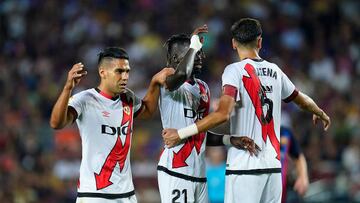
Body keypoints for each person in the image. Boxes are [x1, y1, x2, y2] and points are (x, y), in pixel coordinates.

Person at [162, 18, 331, 203]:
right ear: (260, 41)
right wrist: (319, 112)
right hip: (273, 169)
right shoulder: (275, 71)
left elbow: (222, 114)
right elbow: (301, 99)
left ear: (234, 43)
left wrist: (181, 133)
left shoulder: (234, 71)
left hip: (245, 167)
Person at [50, 47, 174, 203]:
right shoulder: (85, 99)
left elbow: (147, 112)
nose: (125, 77)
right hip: (94, 194)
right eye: (119, 71)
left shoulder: (127, 97)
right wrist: (68, 88)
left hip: (126, 194)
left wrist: (155, 83)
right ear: (103, 72)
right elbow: (56, 123)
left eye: (127, 71)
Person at [157, 26, 260, 203]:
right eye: (195, 52)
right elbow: (182, 73)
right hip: (176, 170)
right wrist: (194, 44)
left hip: (200, 173)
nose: (200, 56)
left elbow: (200, 133)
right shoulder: (167, 82)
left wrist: (229, 140)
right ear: (175, 58)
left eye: (200, 52)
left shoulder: (203, 88)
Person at [280, 125, 309, 202]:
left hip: (281, 192)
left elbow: (298, 156)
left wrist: (303, 176)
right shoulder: (256, 131)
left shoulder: (285, 132)